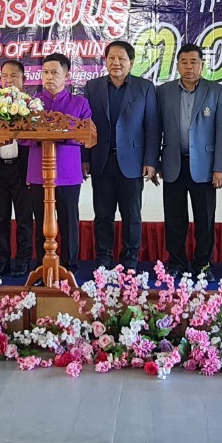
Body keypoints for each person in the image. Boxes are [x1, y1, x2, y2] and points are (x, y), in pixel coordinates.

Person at [156, 44, 222, 279]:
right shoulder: (164, 91)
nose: (189, 67)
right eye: (184, 62)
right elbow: (155, 128)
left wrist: (221, 168)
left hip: (206, 167)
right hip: (173, 164)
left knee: (204, 221)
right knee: (174, 220)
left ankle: (203, 265)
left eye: (194, 62)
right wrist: (154, 161)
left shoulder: (216, 91)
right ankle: (177, 263)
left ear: (202, 65)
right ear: (177, 65)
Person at [84, 40, 160, 272]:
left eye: (121, 59)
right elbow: (85, 126)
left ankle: (130, 262)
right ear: (105, 61)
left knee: (131, 216)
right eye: (111, 58)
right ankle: (104, 260)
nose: (116, 63)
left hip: (133, 163)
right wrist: (85, 159)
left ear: (131, 62)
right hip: (101, 161)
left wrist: (150, 161)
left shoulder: (145, 87)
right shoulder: (93, 87)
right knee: (102, 215)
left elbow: (152, 126)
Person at [23, 53, 92, 272]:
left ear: (66, 76)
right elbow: (22, 137)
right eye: (45, 72)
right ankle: (42, 265)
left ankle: (70, 265)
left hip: (68, 172)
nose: (49, 77)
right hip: (38, 172)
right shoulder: (31, 104)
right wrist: (51, 134)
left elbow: (85, 136)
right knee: (41, 220)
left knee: (69, 221)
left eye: (55, 72)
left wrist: (54, 134)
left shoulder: (79, 103)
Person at [0, 60, 32, 279]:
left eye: (14, 76)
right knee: (0, 217)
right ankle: (3, 259)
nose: (8, 80)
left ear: (23, 79)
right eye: (4, 76)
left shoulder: (31, 104)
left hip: (23, 169)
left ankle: (23, 259)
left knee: (24, 218)